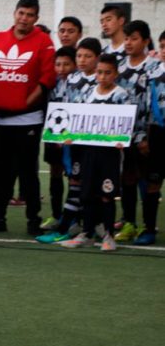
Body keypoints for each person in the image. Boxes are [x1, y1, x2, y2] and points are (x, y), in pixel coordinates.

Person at [0, 0, 56, 236]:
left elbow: (47, 79)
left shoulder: (44, 41)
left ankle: (34, 219)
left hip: (27, 121)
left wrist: (23, 104)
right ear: (14, 13)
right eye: (21, 13)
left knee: (28, 172)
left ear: (36, 18)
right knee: (0, 172)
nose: (24, 18)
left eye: (30, 15)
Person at [61, 54, 131, 251]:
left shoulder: (121, 95)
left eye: (107, 73)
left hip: (110, 154)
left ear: (115, 74)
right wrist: (70, 136)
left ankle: (109, 235)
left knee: (107, 194)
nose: (102, 77)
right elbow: (79, 119)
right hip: (88, 151)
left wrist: (122, 139)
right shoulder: (89, 93)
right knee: (87, 193)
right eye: (99, 72)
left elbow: (125, 124)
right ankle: (87, 232)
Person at [37, 38, 101, 244]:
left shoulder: (101, 80)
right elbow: (65, 108)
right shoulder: (72, 80)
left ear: (97, 58)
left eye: (88, 56)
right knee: (75, 183)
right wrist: (61, 135)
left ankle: (92, 226)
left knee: (91, 186)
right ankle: (69, 226)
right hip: (74, 143)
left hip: (96, 143)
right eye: (80, 56)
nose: (82, 60)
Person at [113, 20, 159, 243]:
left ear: (146, 41)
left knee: (149, 178)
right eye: (127, 38)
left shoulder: (154, 67)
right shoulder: (119, 66)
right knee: (127, 178)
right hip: (122, 133)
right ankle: (129, 222)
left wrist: (147, 136)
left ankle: (148, 227)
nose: (128, 43)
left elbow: (155, 103)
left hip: (145, 133)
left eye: (134, 38)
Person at [37, 46, 77, 232]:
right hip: (54, 134)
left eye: (66, 64)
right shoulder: (52, 84)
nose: (61, 68)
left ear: (74, 65)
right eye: (58, 64)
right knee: (55, 171)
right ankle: (56, 214)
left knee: (73, 175)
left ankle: (74, 217)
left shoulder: (80, 83)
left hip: (73, 136)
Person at [137, 30, 165, 245]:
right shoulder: (152, 74)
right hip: (156, 133)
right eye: (163, 47)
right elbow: (144, 108)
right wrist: (143, 137)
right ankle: (148, 229)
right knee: (152, 183)